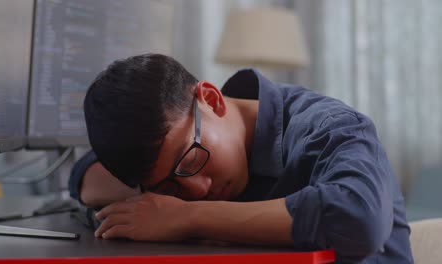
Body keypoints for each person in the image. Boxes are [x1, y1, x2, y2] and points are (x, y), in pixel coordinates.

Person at [69, 53, 413, 263]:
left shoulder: (327, 127)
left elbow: (359, 218)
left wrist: (188, 216)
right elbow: (84, 174)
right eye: (170, 188)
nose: (199, 188)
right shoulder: (181, 145)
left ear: (211, 99)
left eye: (191, 160)